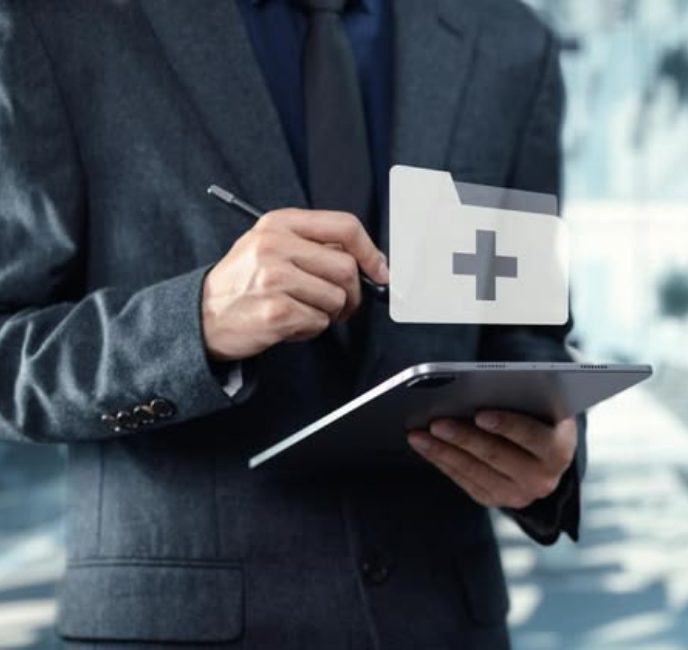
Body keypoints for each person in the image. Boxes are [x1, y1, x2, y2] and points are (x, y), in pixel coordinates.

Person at [0, 0, 583, 647]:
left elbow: (530, 329)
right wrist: (193, 324)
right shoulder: (59, 17)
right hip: (179, 625)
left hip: (443, 618)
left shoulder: (509, 39)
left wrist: (551, 456)